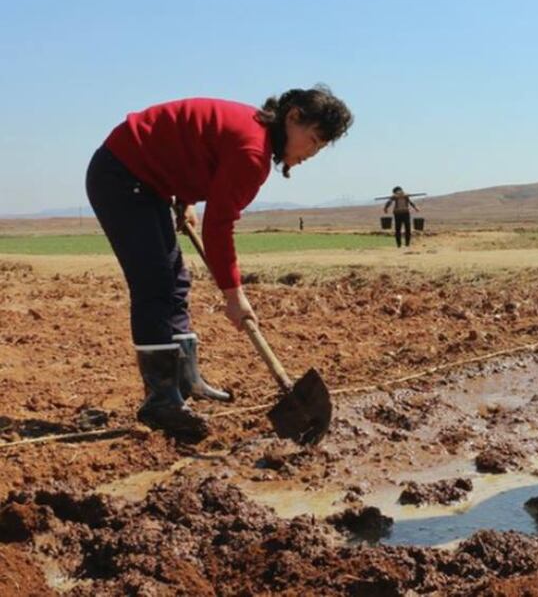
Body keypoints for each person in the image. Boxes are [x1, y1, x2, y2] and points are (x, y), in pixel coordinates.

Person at [85, 86, 353, 441]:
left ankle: (185, 381)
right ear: (293, 117)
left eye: (319, 148)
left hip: (143, 179)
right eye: (313, 140)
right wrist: (233, 295)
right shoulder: (253, 151)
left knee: (175, 281)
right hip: (122, 176)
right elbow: (218, 226)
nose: (310, 154)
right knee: (155, 284)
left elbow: (192, 148)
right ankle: (160, 401)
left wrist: (185, 198)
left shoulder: (253, 134)